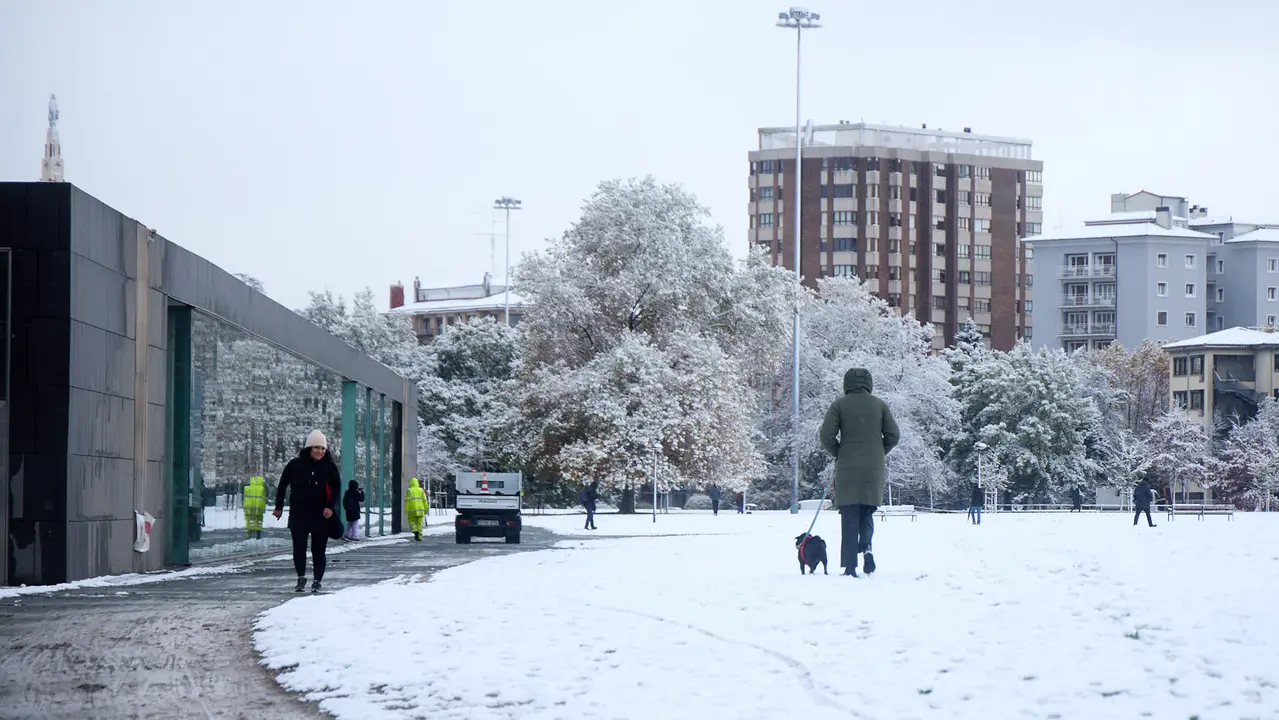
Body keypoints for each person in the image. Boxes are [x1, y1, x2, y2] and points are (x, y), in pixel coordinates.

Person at [819, 368, 900, 577]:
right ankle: (867, 548)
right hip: (874, 467)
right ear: (868, 383)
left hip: (847, 468)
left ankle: (850, 565)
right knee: (867, 511)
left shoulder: (839, 405)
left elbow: (826, 435)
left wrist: (839, 452)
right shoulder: (879, 405)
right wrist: (879, 451)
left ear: (847, 383)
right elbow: (893, 435)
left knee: (849, 515)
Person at [274, 430, 341, 593]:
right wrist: (279, 507)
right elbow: (282, 485)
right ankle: (301, 577)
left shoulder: (329, 467)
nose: (320, 451)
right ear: (309, 448)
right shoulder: (295, 465)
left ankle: (317, 581)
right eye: (316, 447)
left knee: (319, 550)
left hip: (321, 516)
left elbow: (337, 489)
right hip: (299, 514)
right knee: (299, 548)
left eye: (323, 448)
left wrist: (330, 507)